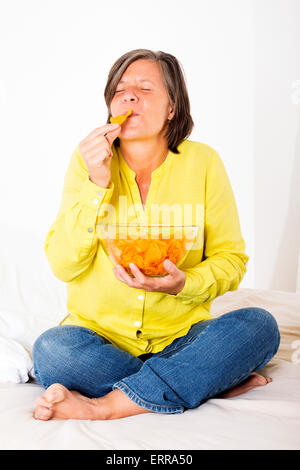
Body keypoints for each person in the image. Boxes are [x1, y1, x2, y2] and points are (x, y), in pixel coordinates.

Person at [32, 49, 280, 421]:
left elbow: (232, 259)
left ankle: (107, 406)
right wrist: (97, 183)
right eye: (120, 90)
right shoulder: (87, 162)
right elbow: (63, 264)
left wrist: (184, 284)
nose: (128, 96)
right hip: (100, 339)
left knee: (260, 326)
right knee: (52, 351)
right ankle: (202, 381)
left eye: (145, 88)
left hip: (182, 339)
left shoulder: (204, 163)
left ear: (172, 108)